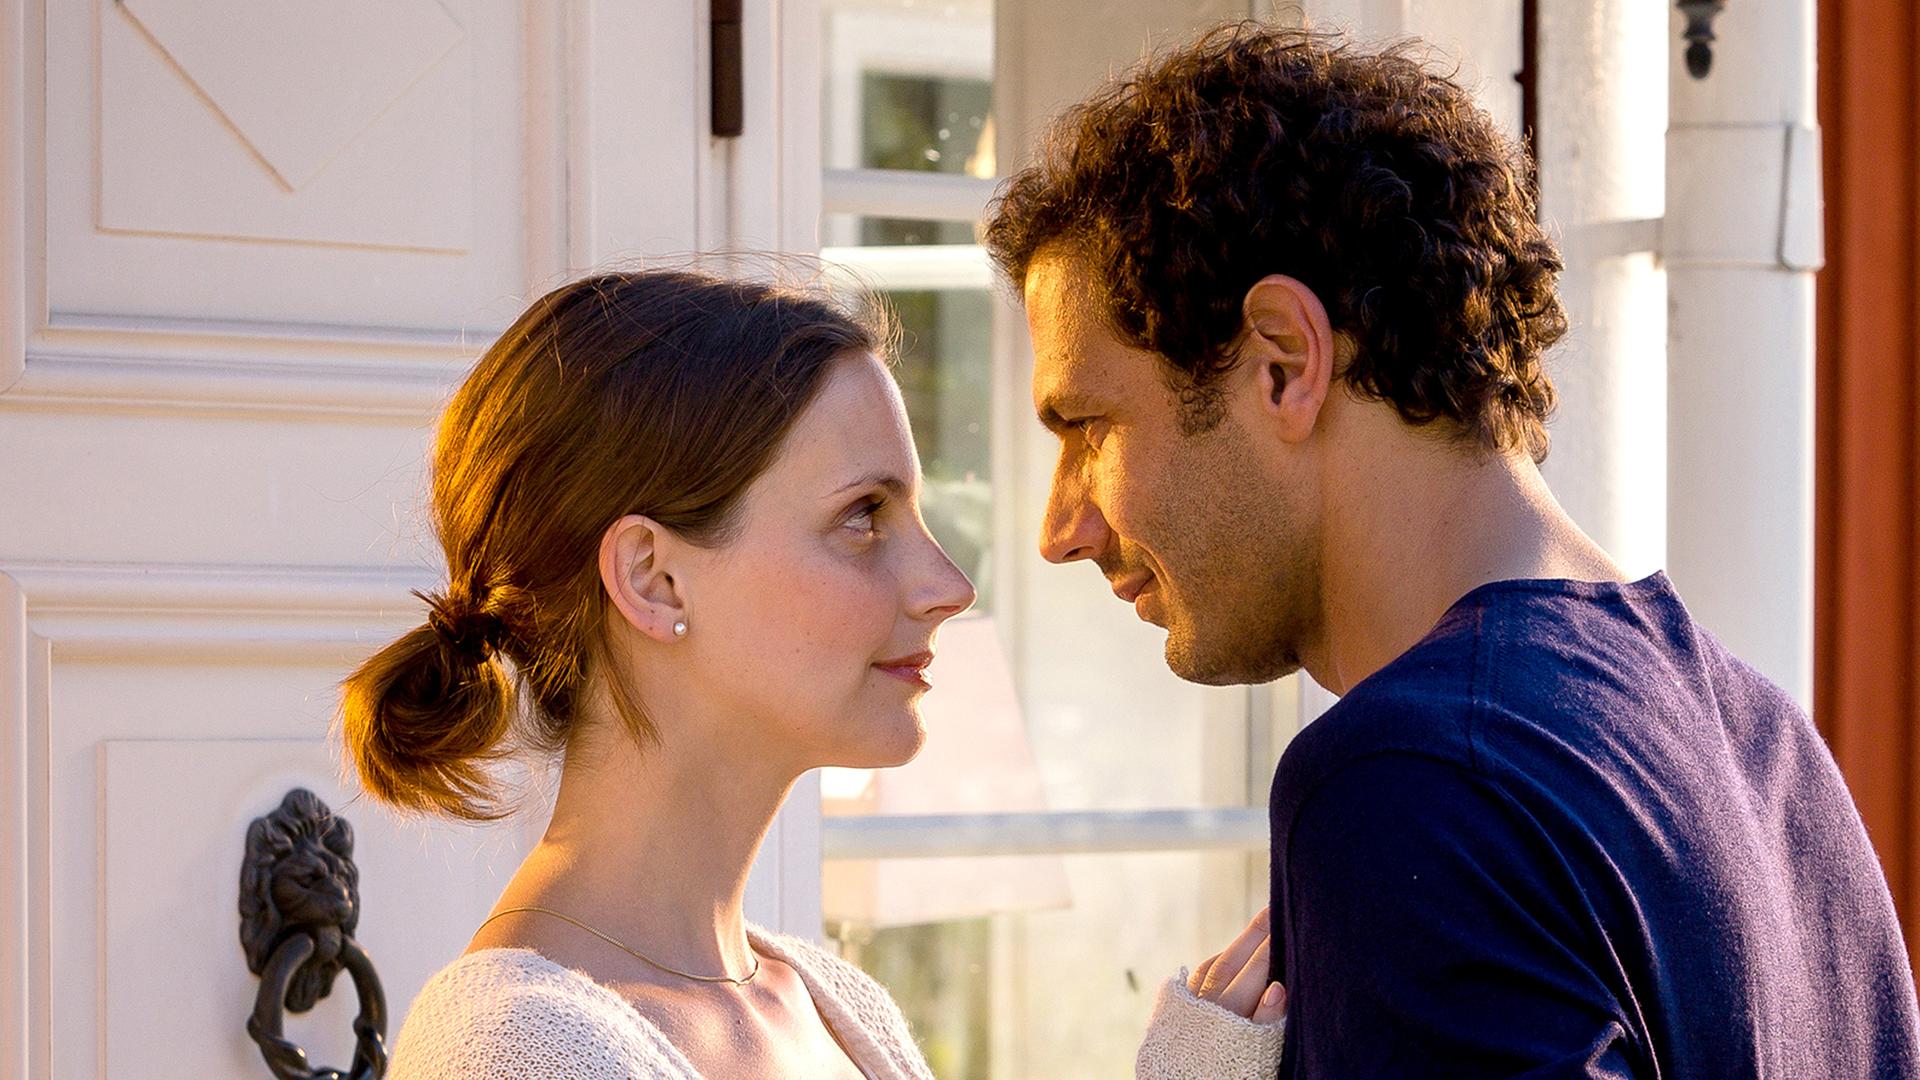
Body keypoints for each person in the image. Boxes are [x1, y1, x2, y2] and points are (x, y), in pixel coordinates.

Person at [984, 23, 1920, 1078]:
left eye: (1088, 428)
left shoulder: (1409, 782)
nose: (1062, 528)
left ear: (1284, 363)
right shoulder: (1772, 756)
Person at [342, 268, 1285, 1078]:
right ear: (652, 576)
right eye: (864, 516)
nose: (947, 586)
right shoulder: (513, 1051)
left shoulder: (838, 1006)